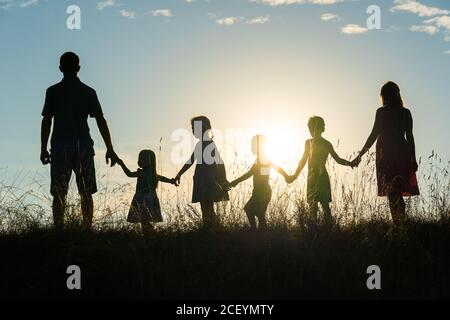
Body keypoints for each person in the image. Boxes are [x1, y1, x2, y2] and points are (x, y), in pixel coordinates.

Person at [40, 52, 119, 230]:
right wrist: (110, 148)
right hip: (83, 146)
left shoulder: (53, 91)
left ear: (60, 68)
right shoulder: (88, 92)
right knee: (86, 192)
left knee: (59, 193)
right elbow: (100, 120)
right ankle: (86, 228)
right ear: (79, 68)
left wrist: (43, 148)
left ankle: (59, 229)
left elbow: (46, 120)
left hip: (60, 147)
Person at [351, 81, 419, 225]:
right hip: (402, 152)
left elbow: (373, 135)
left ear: (384, 96)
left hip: (386, 154)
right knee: (397, 190)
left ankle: (399, 225)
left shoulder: (381, 112)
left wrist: (360, 155)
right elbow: (410, 137)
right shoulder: (406, 112)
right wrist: (413, 158)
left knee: (392, 192)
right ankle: (401, 224)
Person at [287, 116, 355, 224]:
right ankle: (321, 229)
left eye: (311, 128)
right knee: (318, 207)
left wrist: (350, 163)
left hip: (318, 178)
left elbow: (337, 159)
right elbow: (303, 161)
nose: (310, 130)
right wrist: (294, 176)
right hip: (316, 178)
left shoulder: (319, 143)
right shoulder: (316, 143)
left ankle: (322, 230)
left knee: (320, 207)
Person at [174, 116, 229, 228]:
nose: (193, 131)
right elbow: (191, 160)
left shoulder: (208, 144)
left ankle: (213, 228)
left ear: (203, 128)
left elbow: (220, 162)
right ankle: (212, 228)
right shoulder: (202, 144)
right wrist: (179, 173)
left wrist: (223, 179)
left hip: (208, 180)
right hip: (202, 179)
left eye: (194, 128)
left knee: (207, 207)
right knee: (206, 207)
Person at [228, 135, 289, 230]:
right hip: (260, 191)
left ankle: (257, 232)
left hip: (262, 191)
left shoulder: (263, 159)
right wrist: (286, 176)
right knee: (255, 212)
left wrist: (235, 182)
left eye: (253, 145)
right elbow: (275, 168)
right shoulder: (262, 159)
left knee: (253, 212)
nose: (251, 148)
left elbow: (250, 173)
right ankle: (258, 232)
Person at [117, 150, 177, 235]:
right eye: (139, 159)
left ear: (149, 161)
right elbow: (163, 178)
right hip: (150, 198)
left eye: (142, 159)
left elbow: (129, 174)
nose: (139, 161)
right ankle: (150, 235)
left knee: (144, 221)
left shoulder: (142, 173)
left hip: (142, 198)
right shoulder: (153, 174)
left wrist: (122, 164)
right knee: (145, 221)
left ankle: (150, 236)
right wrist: (171, 181)